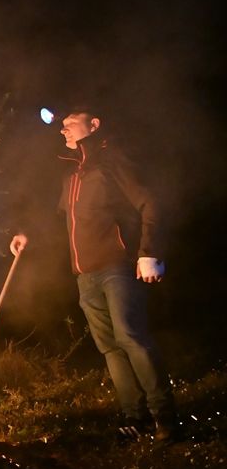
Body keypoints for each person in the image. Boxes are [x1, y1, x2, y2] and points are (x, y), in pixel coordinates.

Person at [10, 106, 176, 441]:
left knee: (130, 337)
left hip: (117, 266)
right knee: (110, 348)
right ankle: (135, 417)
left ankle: (165, 418)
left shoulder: (112, 162)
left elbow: (149, 203)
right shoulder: (72, 176)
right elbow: (59, 221)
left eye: (71, 123)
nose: (64, 129)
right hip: (84, 275)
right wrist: (28, 233)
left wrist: (148, 252)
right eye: (62, 126)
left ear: (94, 124)